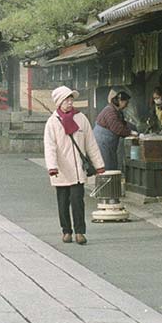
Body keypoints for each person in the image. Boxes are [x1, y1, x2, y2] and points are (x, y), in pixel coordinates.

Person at [44, 86, 106, 245]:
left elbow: (91, 143)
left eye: (71, 99)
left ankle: (80, 232)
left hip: (78, 169)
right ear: (59, 102)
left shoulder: (81, 119)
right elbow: (49, 147)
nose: (70, 102)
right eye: (66, 99)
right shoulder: (52, 122)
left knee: (78, 201)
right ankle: (66, 231)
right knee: (63, 202)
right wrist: (52, 167)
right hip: (61, 170)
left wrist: (99, 165)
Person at [93, 90, 132, 172]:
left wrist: (132, 129)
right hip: (102, 143)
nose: (127, 105)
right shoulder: (109, 111)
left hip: (109, 143)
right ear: (119, 100)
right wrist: (131, 133)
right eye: (126, 102)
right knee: (106, 168)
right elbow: (118, 128)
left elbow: (123, 124)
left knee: (112, 166)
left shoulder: (117, 111)